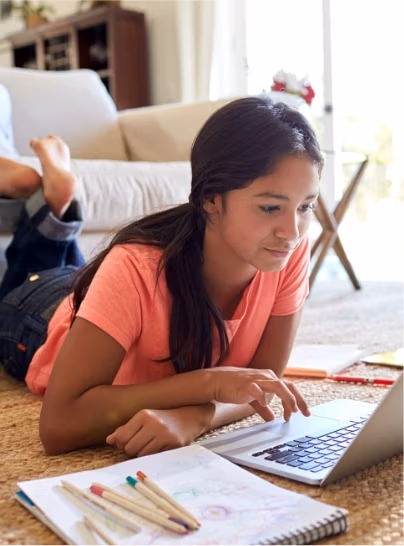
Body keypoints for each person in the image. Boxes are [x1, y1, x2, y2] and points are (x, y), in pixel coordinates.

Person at [0, 96, 323, 458]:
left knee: (72, 265)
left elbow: (263, 382)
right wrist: (208, 383)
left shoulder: (287, 252)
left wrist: (197, 416)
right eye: (270, 207)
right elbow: (59, 425)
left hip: (96, 291)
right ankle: (45, 199)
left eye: (305, 206)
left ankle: (52, 200)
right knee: (28, 275)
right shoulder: (135, 265)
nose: (292, 231)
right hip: (39, 316)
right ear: (211, 199)